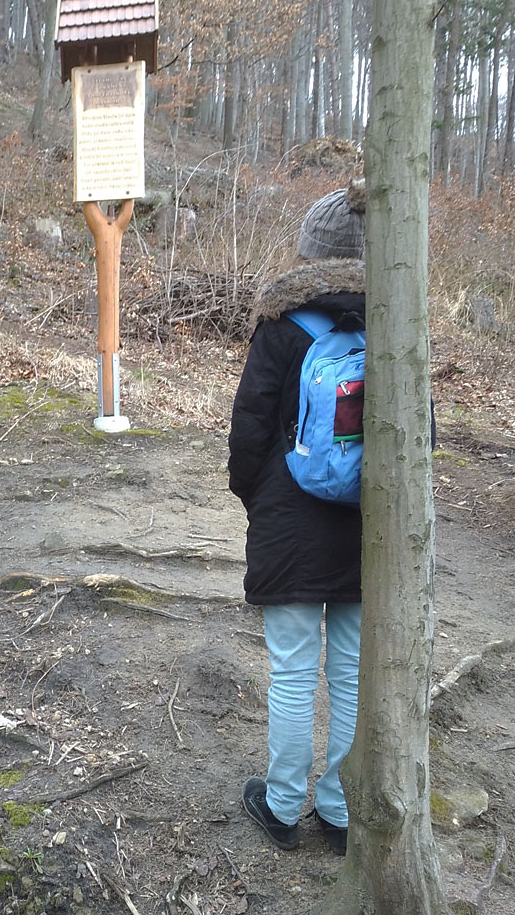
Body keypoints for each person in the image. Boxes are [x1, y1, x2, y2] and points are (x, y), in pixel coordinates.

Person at [228, 181, 368, 857]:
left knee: (292, 669)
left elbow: (249, 430)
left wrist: (256, 498)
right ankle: (341, 811)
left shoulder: (281, 326)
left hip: (290, 516)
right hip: (368, 527)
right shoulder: (398, 324)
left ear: (311, 251)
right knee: (349, 670)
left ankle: (283, 806)